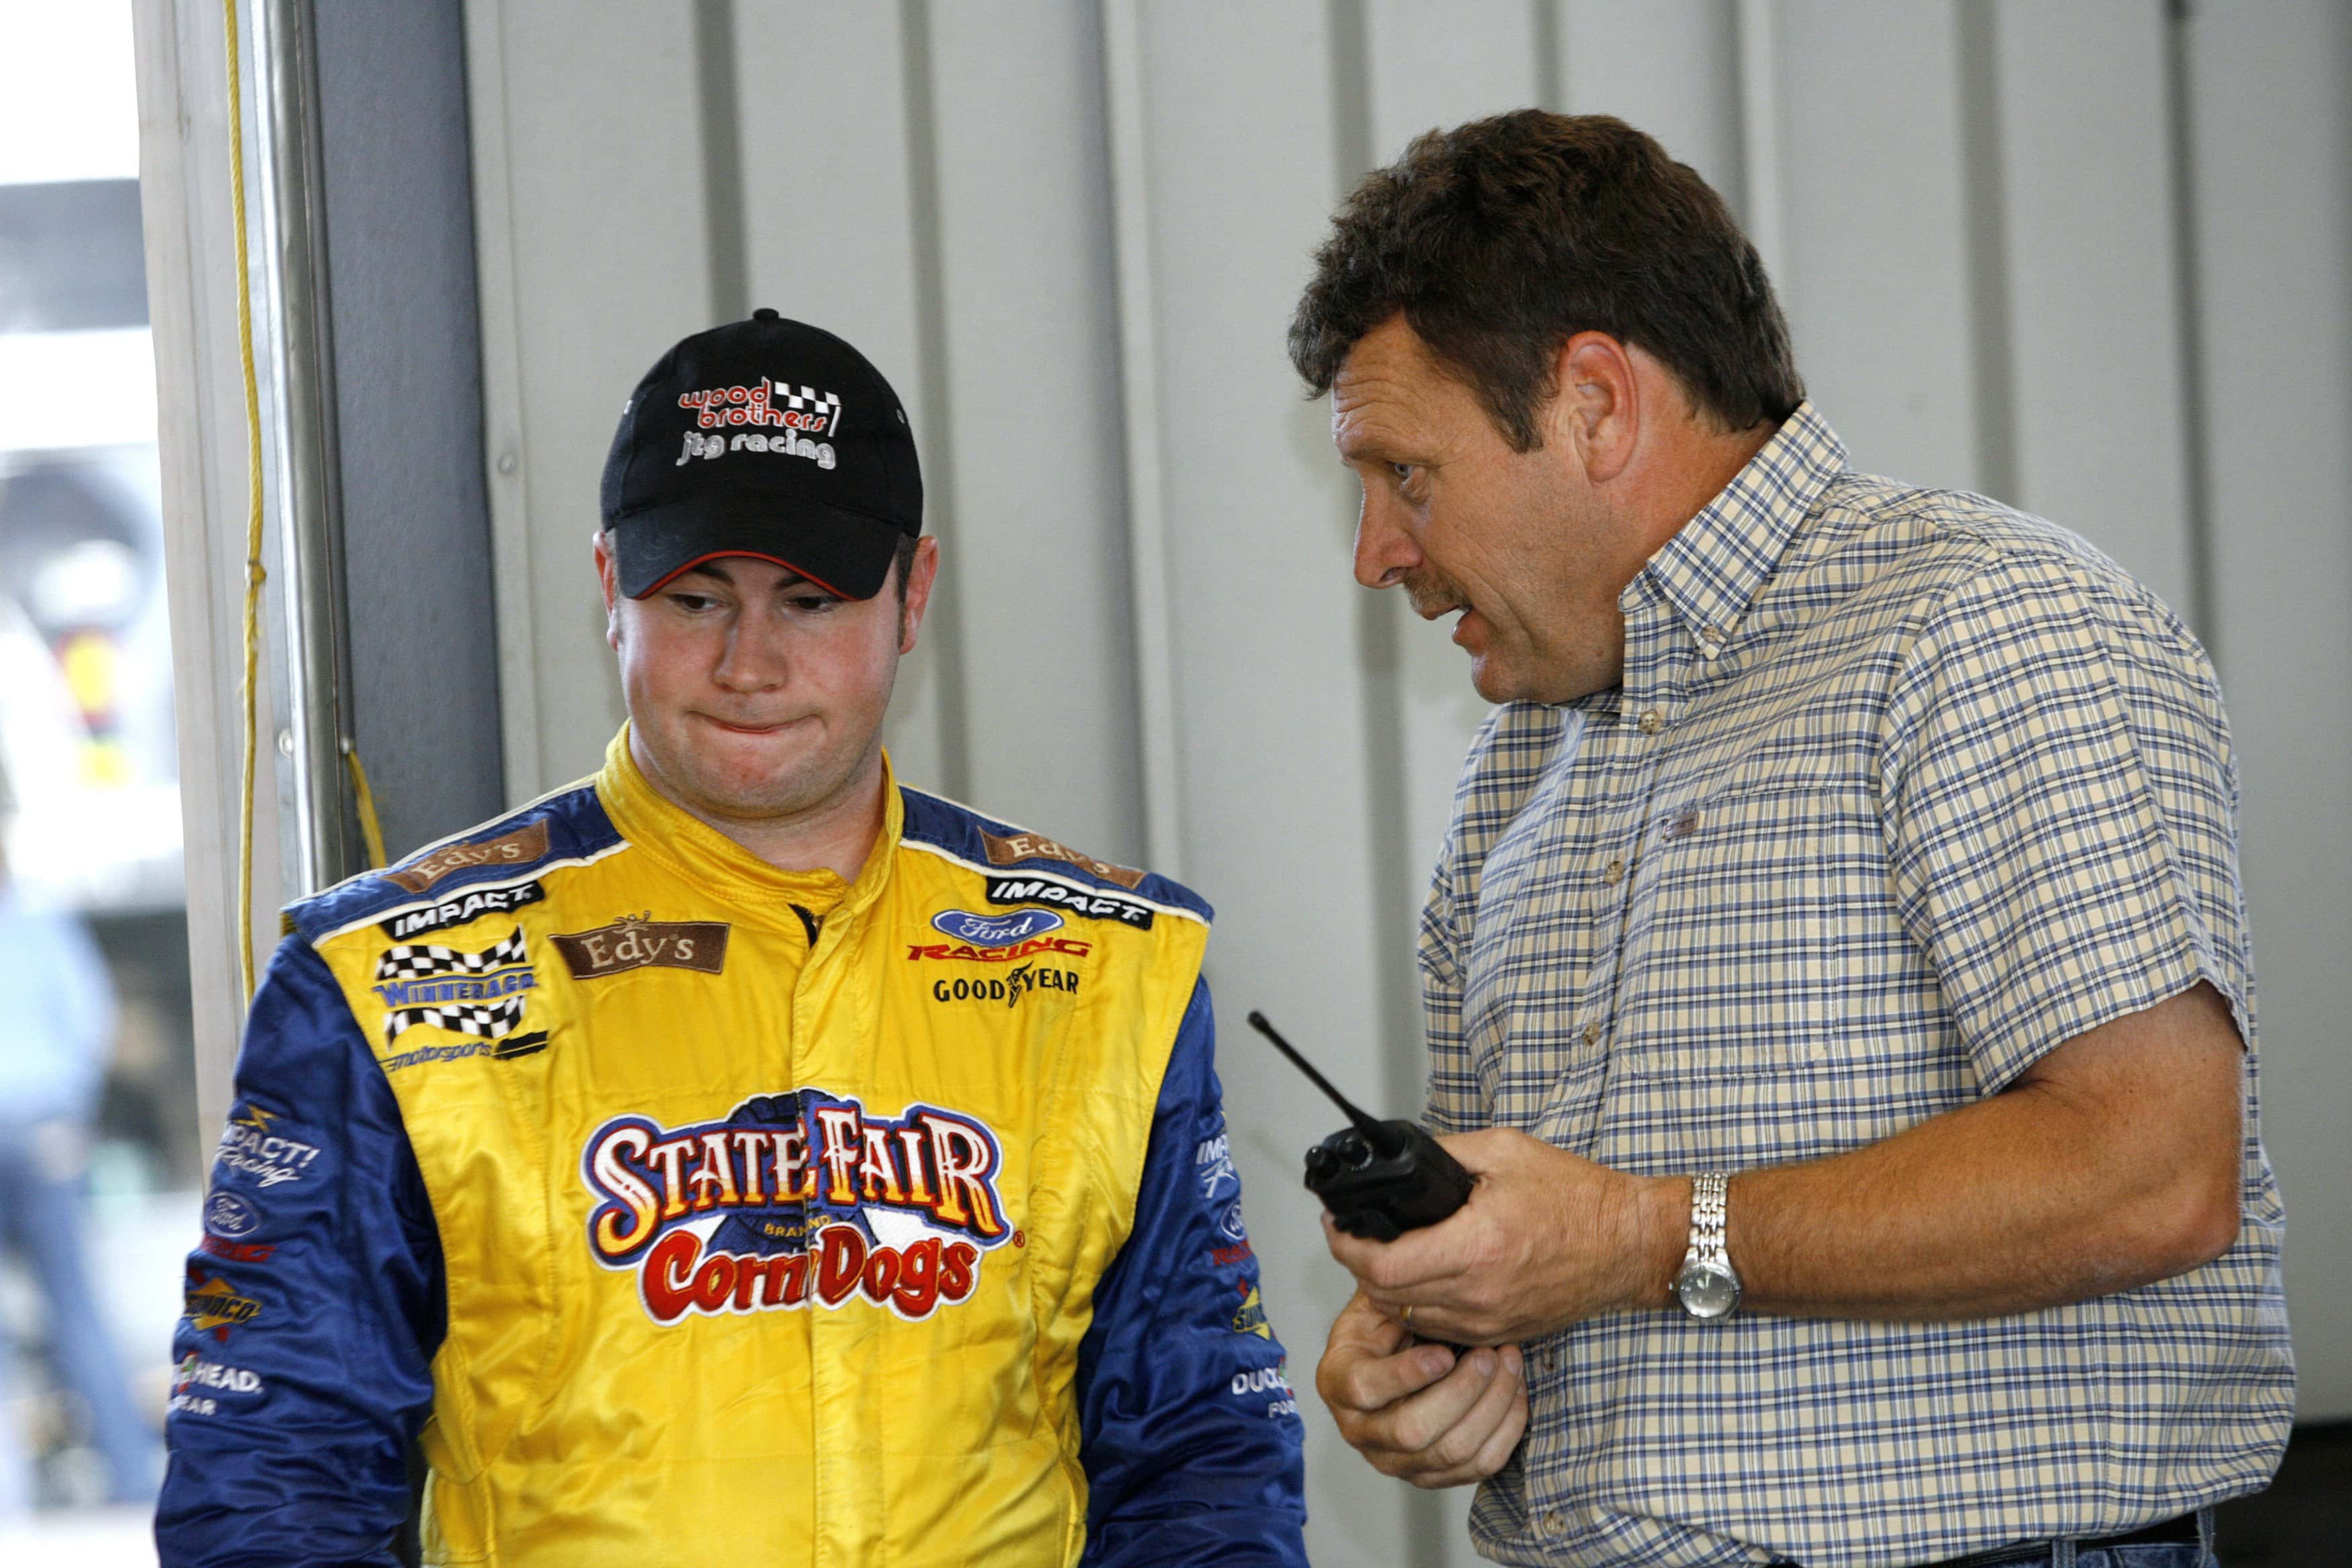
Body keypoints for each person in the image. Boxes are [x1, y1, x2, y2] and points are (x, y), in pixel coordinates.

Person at [1288, 111, 2286, 1568]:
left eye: (1408, 475)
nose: (1375, 549)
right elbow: (1553, 1240)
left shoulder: (1984, 624)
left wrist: (1637, 1240)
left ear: (1593, 403)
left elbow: (2153, 1166)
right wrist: (1440, 1350)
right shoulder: (1522, 770)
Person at [154, 311, 1308, 1565]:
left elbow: (1201, 1453)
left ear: (913, 593)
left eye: (810, 601)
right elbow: (271, 1478)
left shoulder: (1105, 962)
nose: (748, 664)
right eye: (694, 596)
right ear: (609, 589)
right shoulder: (378, 977)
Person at [0, 842, 158, 1510]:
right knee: (76, 1307)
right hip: (44, 1130)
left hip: (40, 1132)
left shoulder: (39, 919)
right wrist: (74, 1109)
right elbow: (90, 1019)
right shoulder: (38, 921)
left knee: (74, 1308)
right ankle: (125, 1472)